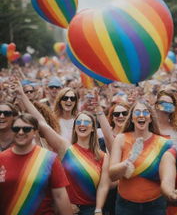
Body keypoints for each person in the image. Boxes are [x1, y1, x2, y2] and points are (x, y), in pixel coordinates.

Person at [16, 82, 110, 215]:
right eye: (79, 122)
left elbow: (103, 186)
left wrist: (98, 209)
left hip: (92, 209)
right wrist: (22, 96)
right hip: (67, 207)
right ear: (75, 127)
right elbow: (42, 122)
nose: (82, 124)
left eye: (87, 122)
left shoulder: (102, 156)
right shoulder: (66, 148)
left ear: (93, 129)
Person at [0, 113, 72, 215]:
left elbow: (60, 196)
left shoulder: (50, 159)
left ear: (35, 132)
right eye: (16, 129)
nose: (20, 132)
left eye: (26, 129)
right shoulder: (1, 159)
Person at [109, 100, 172, 215]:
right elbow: (112, 175)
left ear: (151, 118)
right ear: (132, 118)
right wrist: (129, 160)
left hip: (155, 206)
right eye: (137, 112)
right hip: (126, 206)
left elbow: (167, 178)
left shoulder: (164, 144)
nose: (141, 115)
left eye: (145, 112)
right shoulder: (121, 139)